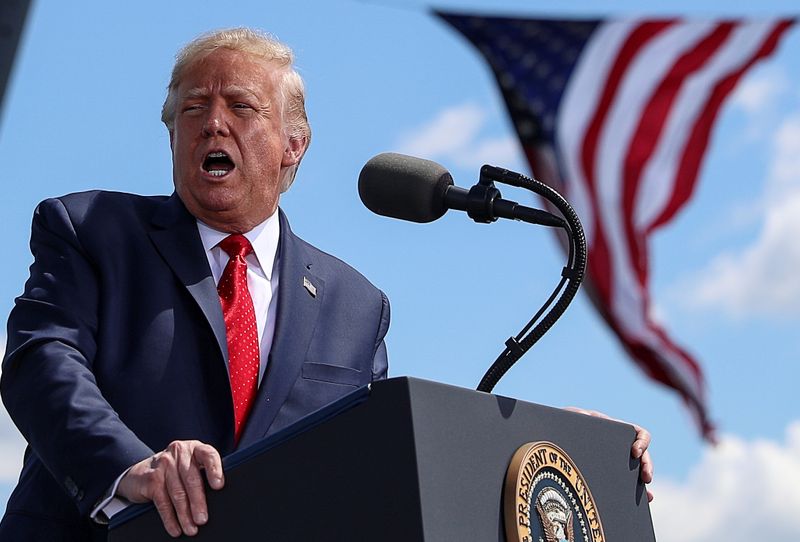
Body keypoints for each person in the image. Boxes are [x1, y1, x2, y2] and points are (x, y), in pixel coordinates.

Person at [0, 27, 651, 541]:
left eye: (241, 107)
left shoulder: (354, 304)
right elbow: (41, 362)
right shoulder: (92, 229)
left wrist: (557, 445)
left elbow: (380, 459)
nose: (212, 123)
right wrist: (132, 468)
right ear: (172, 133)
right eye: (193, 108)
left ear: (294, 145)